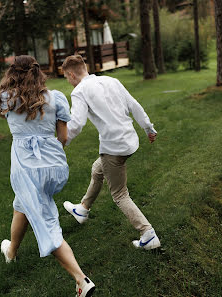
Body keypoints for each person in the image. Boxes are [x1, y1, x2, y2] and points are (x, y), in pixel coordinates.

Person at [0, 55, 95, 297]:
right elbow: (62, 137)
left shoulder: (6, 98)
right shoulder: (56, 98)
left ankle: (82, 280)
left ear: (12, 74)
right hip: (55, 165)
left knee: (46, 223)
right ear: (39, 73)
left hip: (27, 169)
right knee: (23, 204)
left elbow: (4, 116)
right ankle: (11, 252)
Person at [61, 55, 160, 250]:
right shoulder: (110, 80)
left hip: (114, 148)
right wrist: (148, 128)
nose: (68, 81)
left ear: (71, 74)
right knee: (98, 169)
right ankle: (83, 209)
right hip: (130, 141)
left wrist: (61, 142)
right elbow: (134, 105)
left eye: (66, 77)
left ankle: (147, 234)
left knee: (120, 194)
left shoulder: (79, 91)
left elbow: (77, 123)